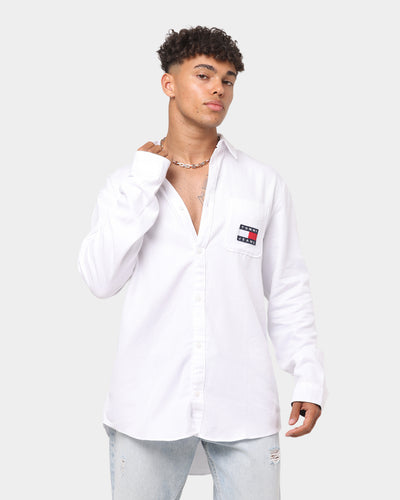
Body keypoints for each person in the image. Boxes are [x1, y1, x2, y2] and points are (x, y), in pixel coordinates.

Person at [77, 25, 327, 500]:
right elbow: (101, 279)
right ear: (168, 83)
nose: (219, 89)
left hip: (244, 406)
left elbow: (288, 287)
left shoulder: (262, 184)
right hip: (146, 407)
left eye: (228, 80)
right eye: (204, 75)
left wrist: (308, 375)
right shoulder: (126, 185)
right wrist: (144, 185)